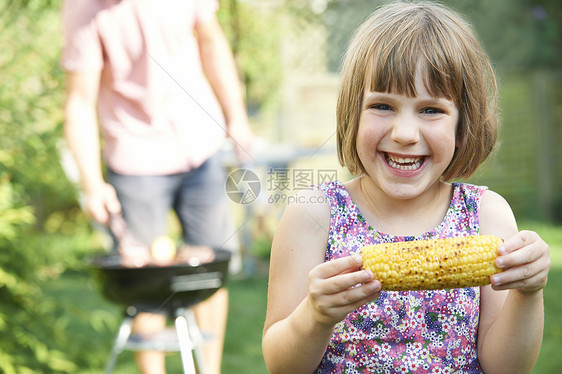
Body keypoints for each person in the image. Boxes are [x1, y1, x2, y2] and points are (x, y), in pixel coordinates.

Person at [262, 1, 551, 373]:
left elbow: (506, 368)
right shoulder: (313, 216)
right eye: (382, 106)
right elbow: (281, 366)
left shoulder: (486, 215)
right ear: (353, 114)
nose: (404, 134)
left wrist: (528, 292)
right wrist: (314, 317)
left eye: (431, 110)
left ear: (463, 125)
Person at [61, 0, 253, 373]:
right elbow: (79, 102)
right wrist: (91, 182)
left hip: (201, 142)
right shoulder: (83, 8)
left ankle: (208, 370)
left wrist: (238, 117)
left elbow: (212, 42)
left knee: (209, 269)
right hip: (135, 158)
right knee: (144, 280)